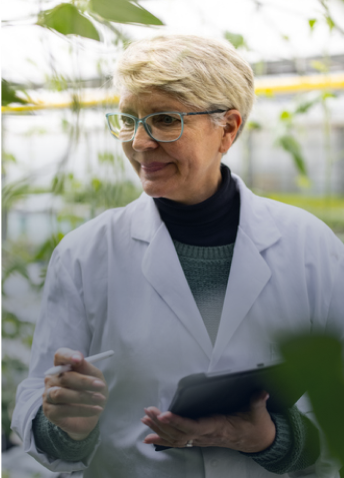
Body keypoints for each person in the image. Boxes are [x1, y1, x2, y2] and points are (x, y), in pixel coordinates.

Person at [12, 35, 343, 478]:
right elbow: (39, 399)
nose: (140, 143)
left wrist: (271, 439)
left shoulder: (310, 247)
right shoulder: (85, 253)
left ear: (227, 128)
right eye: (128, 120)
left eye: (164, 120)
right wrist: (66, 425)